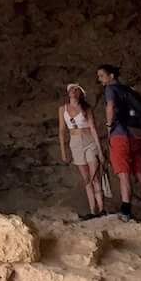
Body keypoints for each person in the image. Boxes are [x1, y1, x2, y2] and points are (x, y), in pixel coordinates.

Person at [96, 64, 141, 222]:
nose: (100, 79)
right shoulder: (128, 90)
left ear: (111, 76)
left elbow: (110, 106)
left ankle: (126, 211)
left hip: (120, 136)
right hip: (136, 136)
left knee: (123, 174)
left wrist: (109, 125)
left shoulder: (110, 89)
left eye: (102, 76)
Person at [59, 83, 107, 219]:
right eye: (71, 89)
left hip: (89, 140)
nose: (73, 92)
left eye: (76, 90)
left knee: (94, 176)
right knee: (86, 178)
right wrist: (63, 150)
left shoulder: (86, 108)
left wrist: (100, 150)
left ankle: (102, 208)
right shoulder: (63, 109)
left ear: (80, 93)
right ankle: (93, 210)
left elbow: (93, 128)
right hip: (75, 142)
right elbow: (62, 131)